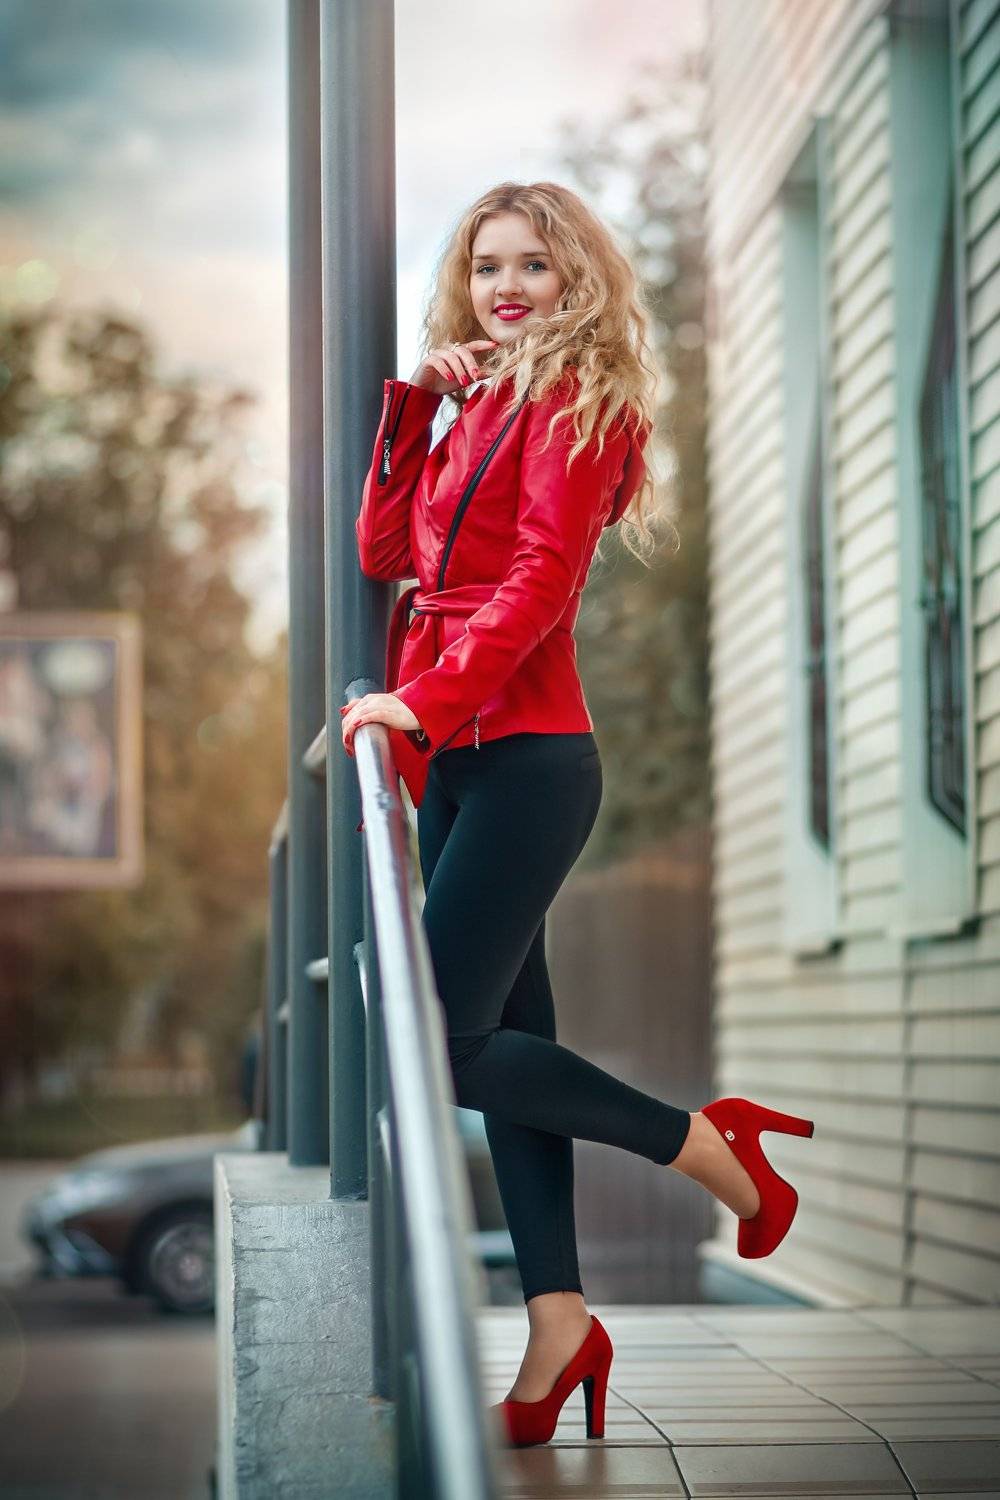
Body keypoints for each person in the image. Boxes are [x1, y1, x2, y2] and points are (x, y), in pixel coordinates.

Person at [341, 181, 813, 1449]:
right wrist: (415, 406)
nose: (505, 288)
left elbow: (541, 580)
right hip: (455, 761)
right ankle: (560, 1323)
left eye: (533, 267)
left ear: (576, 281)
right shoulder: (476, 403)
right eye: (486, 265)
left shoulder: (578, 402)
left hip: (529, 760)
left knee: (439, 1042)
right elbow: (387, 554)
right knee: (502, 1047)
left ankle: (705, 1147)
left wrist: (422, 698)